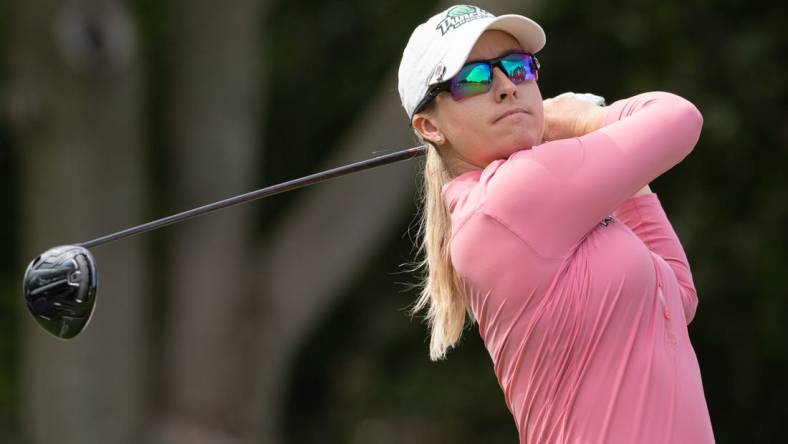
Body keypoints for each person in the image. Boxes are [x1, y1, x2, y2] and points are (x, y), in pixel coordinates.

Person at [398, 4, 715, 443]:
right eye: (473, 78)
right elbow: (680, 117)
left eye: (518, 67)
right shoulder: (511, 196)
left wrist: (611, 167)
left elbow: (677, 296)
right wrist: (586, 120)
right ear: (430, 126)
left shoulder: (537, 199)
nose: (507, 86)